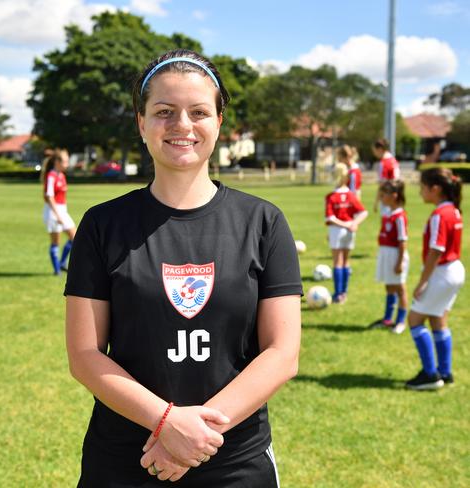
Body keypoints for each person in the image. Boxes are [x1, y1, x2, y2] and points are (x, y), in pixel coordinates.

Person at [64, 49, 302, 487]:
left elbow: (282, 354)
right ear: (141, 123)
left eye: (198, 111)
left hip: (234, 460)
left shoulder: (264, 221)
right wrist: (166, 423)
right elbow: (84, 355)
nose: (182, 125)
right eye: (164, 112)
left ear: (219, 123)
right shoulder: (102, 224)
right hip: (126, 458)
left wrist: (197, 435)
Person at [406, 168, 464, 390]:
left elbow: (436, 251)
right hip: (455, 270)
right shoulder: (454, 210)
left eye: (422, 188)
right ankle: (445, 371)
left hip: (442, 272)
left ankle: (430, 375)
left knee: (415, 319)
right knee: (438, 320)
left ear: (435, 189)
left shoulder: (440, 215)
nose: (420, 192)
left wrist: (422, 282)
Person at [325, 163, 368, 303]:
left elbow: (330, 217)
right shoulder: (351, 195)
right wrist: (353, 223)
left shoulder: (331, 196)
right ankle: (344, 293)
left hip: (337, 230)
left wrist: (342, 225)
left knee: (337, 261)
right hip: (350, 230)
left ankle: (338, 294)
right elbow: (363, 212)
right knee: (346, 261)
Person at [369, 180, 409, 334]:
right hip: (385, 253)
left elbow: (402, 241)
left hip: (395, 254)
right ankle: (387, 319)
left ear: (394, 196)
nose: (381, 197)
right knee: (389, 286)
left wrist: (399, 262)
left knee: (400, 288)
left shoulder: (399, 216)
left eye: (383, 194)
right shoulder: (387, 213)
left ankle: (400, 321)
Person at [42, 149, 76, 275]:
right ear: (57, 162)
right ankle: (57, 270)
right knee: (55, 242)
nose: (67, 164)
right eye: (65, 161)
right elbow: (49, 196)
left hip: (62, 211)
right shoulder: (51, 176)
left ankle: (62, 263)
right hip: (53, 212)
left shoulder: (61, 175)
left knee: (75, 237)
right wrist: (57, 215)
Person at [372, 138, 400, 214]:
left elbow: (382, 185)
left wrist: (376, 201)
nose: (374, 153)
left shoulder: (383, 163)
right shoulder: (393, 160)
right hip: (396, 196)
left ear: (380, 149)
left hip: (387, 197)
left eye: (374, 150)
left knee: (387, 223)